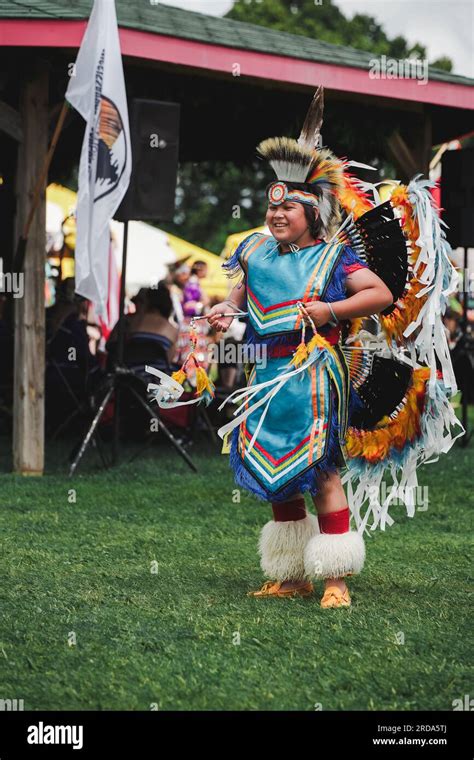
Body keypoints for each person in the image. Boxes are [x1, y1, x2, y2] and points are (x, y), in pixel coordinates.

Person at [205, 86, 461, 608]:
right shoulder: (252, 249)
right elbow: (238, 297)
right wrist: (220, 313)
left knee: (320, 473)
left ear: (312, 214)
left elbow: (381, 293)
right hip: (264, 377)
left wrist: (330, 311)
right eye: (273, 207)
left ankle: (335, 578)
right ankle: (292, 573)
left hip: (316, 376)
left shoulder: (334, 259)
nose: (277, 216)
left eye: (289, 209)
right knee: (277, 477)